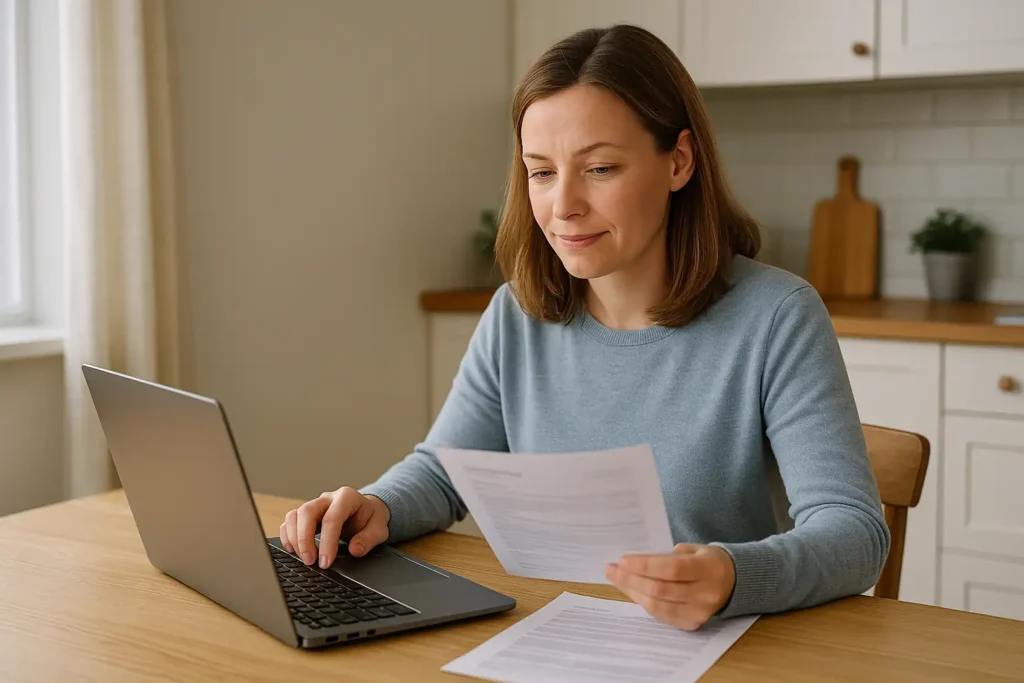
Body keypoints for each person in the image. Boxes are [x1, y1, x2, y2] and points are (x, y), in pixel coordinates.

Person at [279, 24, 890, 631]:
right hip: (551, 635)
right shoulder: (516, 315)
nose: (563, 204)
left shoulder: (777, 316)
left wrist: (733, 575)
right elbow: (445, 470)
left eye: (599, 169)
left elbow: (854, 533)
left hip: (720, 650)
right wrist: (376, 505)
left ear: (678, 162)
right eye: (541, 173)